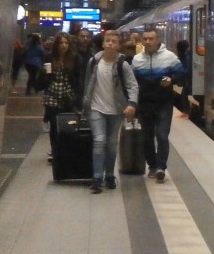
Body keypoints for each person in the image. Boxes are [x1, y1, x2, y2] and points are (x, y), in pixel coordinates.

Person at [81, 31, 138, 193]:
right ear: (103, 44)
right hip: (96, 108)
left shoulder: (123, 64)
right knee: (99, 140)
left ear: (118, 45)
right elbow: (87, 84)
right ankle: (97, 177)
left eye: (114, 41)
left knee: (112, 145)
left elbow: (132, 85)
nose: (111, 43)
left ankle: (110, 175)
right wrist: (85, 105)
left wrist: (131, 104)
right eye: (108, 41)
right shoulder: (94, 62)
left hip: (116, 110)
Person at [131, 27, 184, 183]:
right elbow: (132, 82)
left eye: (151, 38)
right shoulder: (137, 60)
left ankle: (161, 166)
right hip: (144, 103)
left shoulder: (170, 57)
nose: (148, 41)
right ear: (142, 40)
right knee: (146, 137)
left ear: (157, 39)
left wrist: (171, 81)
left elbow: (181, 75)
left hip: (164, 103)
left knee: (162, 135)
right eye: (145, 39)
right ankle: (152, 165)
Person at [36, 33, 85, 166]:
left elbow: (78, 80)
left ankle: (67, 151)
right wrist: (45, 76)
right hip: (51, 95)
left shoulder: (75, 59)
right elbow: (42, 77)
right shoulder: (49, 58)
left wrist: (78, 100)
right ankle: (56, 152)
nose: (63, 46)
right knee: (54, 126)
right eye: (61, 43)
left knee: (68, 125)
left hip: (68, 96)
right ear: (56, 45)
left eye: (66, 43)